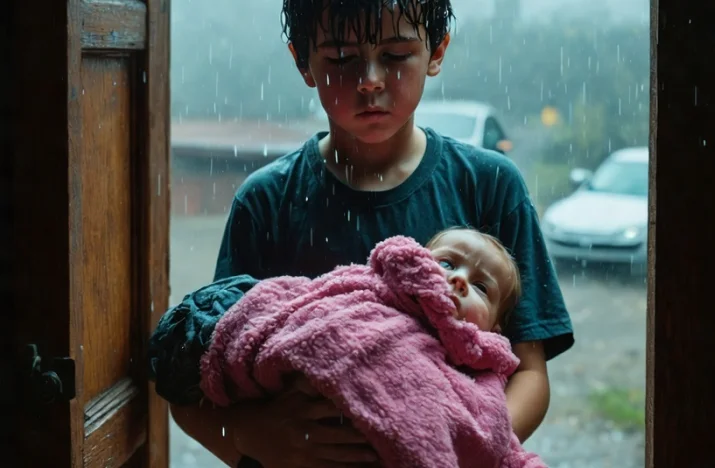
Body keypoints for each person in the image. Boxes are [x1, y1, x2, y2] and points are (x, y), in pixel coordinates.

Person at [150, 1, 574, 466]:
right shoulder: (267, 201)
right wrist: (255, 437)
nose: (370, 79)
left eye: (395, 56)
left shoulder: (490, 185)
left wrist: (445, 443)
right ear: (302, 61)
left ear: (436, 52)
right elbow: (198, 380)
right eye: (340, 58)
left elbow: (530, 374)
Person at [192, 229, 545, 467]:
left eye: (482, 287)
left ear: (493, 329)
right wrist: (241, 435)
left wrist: (447, 439)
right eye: (447, 263)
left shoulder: (481, 373)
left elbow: (496, 439)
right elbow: (191, 373)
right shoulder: (364, 294)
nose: (459, 280)